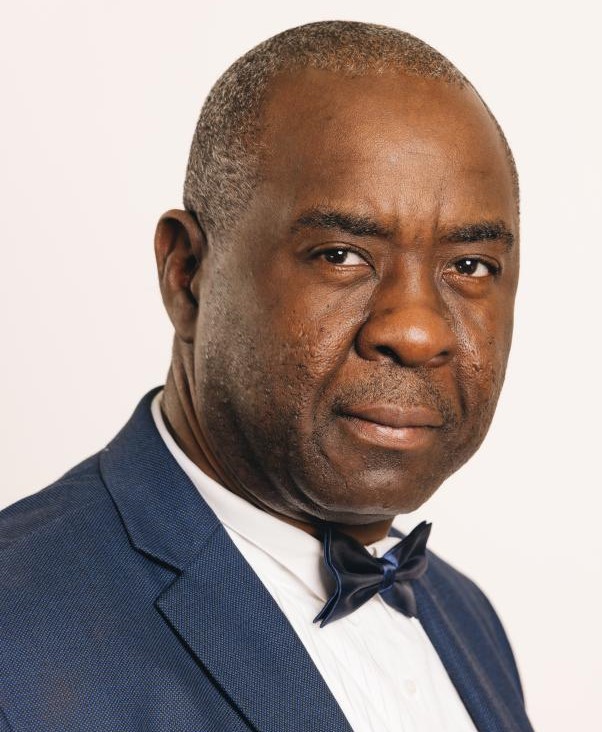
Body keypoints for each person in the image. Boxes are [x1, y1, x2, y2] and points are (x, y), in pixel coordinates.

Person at [0, 20, 533, 732]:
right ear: (187, 274)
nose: (417, 332)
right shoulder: (19, 636)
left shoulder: (466, 618)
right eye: (341, 255)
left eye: (470, 266)